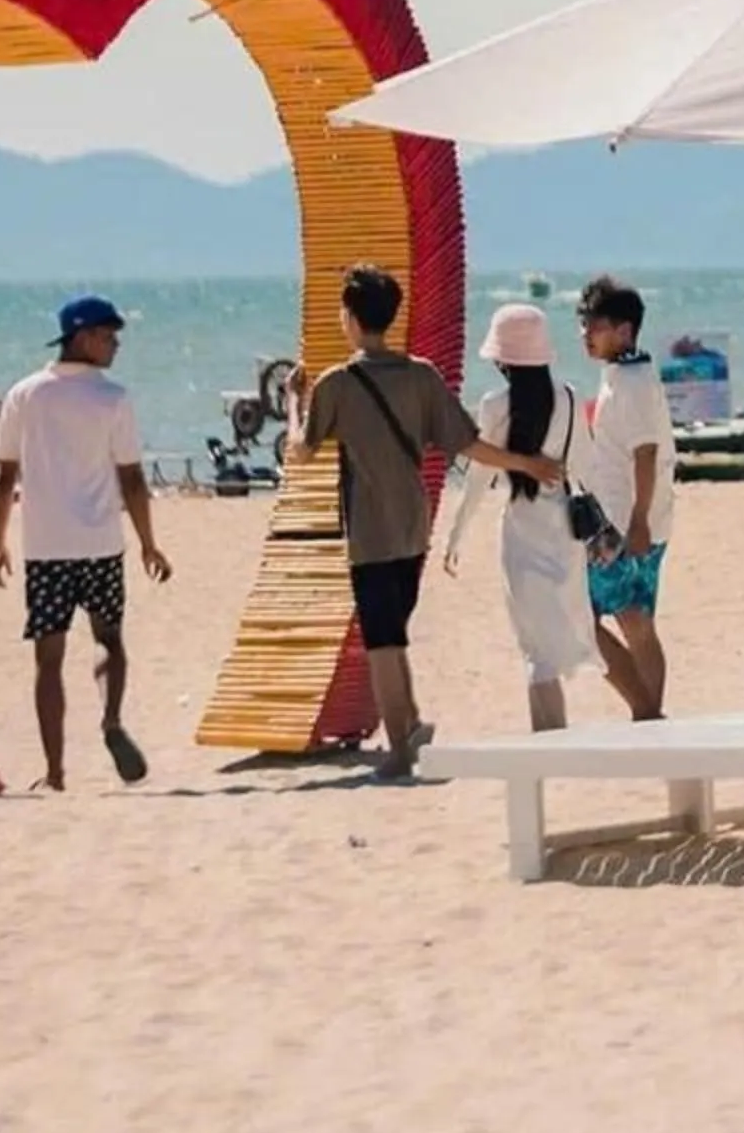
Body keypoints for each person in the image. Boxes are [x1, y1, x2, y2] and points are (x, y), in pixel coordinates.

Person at [290, 264, 525, 778]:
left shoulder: (336, 384)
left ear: (350, 318)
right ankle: (412, 724)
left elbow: (301, 451)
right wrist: (525, 463)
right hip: (415, 527)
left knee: (382, 644)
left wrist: (292, 402)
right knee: (393, 633)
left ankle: (399, 750)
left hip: (371, 533)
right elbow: (468, 442)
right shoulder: (422, 375)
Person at [0, 295, 173, 792]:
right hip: (101, 543)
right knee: (108, 640)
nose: (116, 346)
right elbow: (132, 480)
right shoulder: (113, 398)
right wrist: (148, 543)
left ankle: (55, 773)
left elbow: (5, 477)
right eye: (109, 337)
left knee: (48, 659)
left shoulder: (24, 394)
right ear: (83, 337)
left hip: (45, 548)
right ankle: (110, 720)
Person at [439, 303, 595, 732]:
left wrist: (456, 535)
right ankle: (548, 737)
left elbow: (479, 476)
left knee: (534, 649)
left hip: (522, 531)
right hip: (564, 531)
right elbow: (585, 466)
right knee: (548, 646)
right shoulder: (569, 399)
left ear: (502, 359)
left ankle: (550, 738)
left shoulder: (495, 405)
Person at [576, 274, 677, 720]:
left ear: (624, 331)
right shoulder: (629, 373)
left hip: (622, 524)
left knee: (579, 618)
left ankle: (644, 707)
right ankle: (648, 716)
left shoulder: (631, 383)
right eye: (584, 325)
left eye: (595, 327)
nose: (586, 335)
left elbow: (645, 454)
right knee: (636, 620)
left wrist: (638, 520)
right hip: (638, 518)